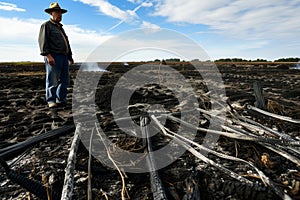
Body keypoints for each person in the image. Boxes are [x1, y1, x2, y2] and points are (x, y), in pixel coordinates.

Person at [38, 2, 74, 112]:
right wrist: (48, 55)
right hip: (53, 56)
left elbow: (66, 43)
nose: (60, 15)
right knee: (52, 79)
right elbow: (42, 41)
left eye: (61, 13)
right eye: (57, 12)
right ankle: (51, 100)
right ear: (51, 13)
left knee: (65, 79)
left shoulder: (60, 28)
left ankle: (61, 99)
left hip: (63, 57)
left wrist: (70, 56)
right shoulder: (46, 25)